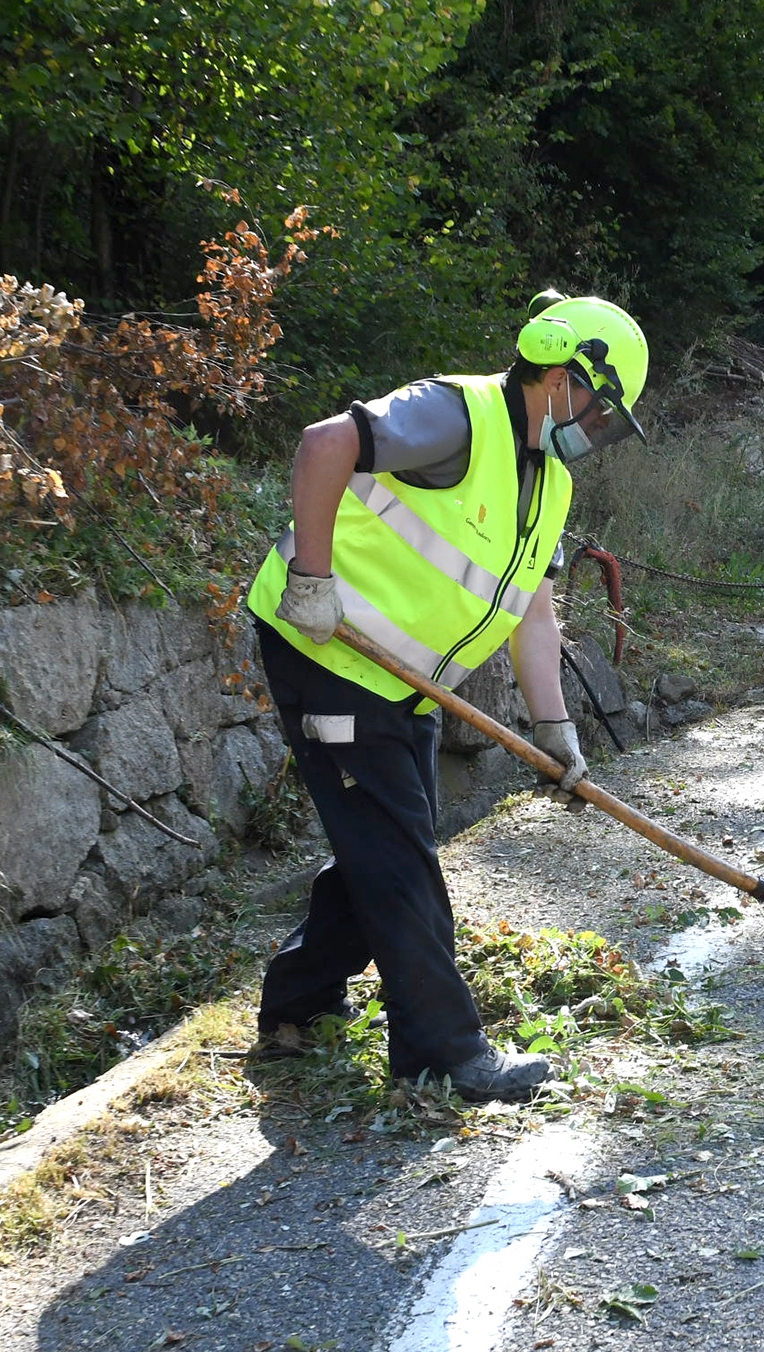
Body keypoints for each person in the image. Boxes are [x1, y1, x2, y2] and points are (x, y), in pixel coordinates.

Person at [242, 292, 649, 1104]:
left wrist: (555, 729)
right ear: (562, 376)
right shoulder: (457, 415)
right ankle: (442, 1051)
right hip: (324, 652)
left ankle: (295, 1005)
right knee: (398, 849)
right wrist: (312, 579)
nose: (596, 431)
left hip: (401, 681)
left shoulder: (548, 480)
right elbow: (326, 444)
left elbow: (533, 607)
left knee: (388, 834)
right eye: (599, 411)